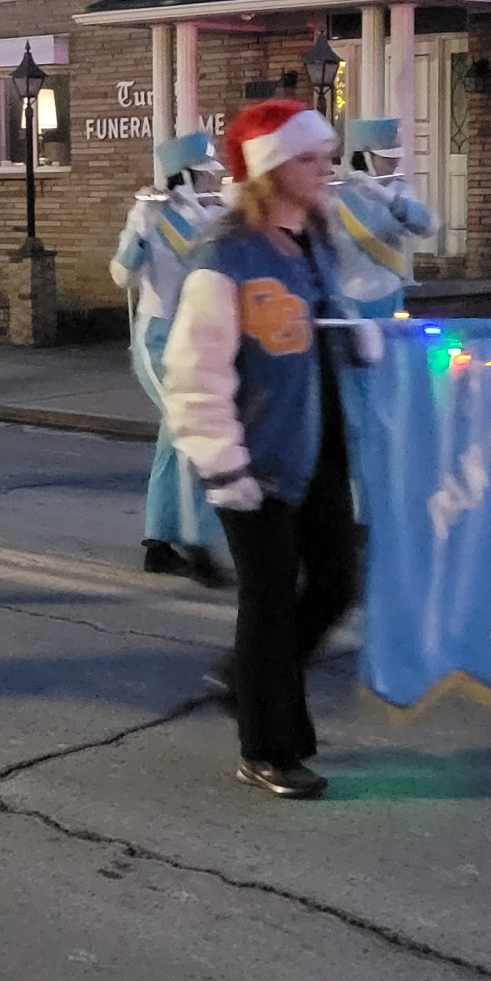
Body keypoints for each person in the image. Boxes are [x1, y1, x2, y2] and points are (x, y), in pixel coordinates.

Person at [164, 99, 378, 800]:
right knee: (270, 600)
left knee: (338, 583)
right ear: (271, 170)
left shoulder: (310, 241)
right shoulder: (226, 254)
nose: (327, 170)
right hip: (253, 456)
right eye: (312, 158)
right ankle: (266, 745)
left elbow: (315, 324)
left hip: (318, 446)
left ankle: (252, 683)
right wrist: (223, 462)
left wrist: (356, 335)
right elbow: (194, 371)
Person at [109, 131, 229, 585]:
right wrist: (139, 229)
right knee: (192, 429)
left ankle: (158, 542)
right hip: (157, 340)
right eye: (203, 177)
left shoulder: (213, 214)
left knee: (173, 439)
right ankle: (195, 541)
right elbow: (122, 276)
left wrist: (212, 206)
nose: (210, 183)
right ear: (183, 177)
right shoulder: (152, 217)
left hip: (194, 339)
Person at [328, 116, 435, 319]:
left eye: (396, 156)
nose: (395, 162)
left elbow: (428, 227)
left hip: (390, 293)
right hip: (348, 296)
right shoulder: (336, 192)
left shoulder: (400, 190)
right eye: (387, 157)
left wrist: (385, 196)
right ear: (364, 156)